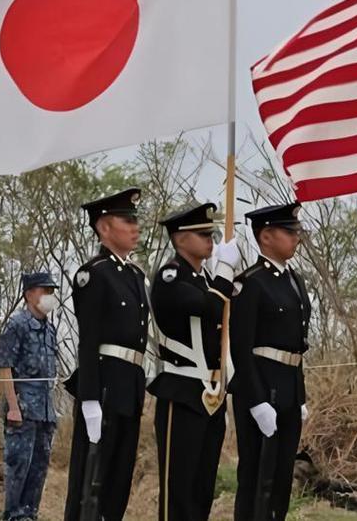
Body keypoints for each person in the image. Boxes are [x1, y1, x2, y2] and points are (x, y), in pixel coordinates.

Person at [148, 202, 242, 521]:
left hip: (211, 394)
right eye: (202, 234)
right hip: (182, 391)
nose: (210, 240)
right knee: (179, 489)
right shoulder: (171, 276)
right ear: (179, 239)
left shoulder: (204, 279)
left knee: (202, 489)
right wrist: (225, 271)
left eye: (211, 233)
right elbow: (210, 308)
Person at [63, 188, 150, 521]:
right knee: (90, 484)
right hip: (103, 388)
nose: (134, 227)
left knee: (117, 483)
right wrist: (89, 399)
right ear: (103, 227)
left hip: (129, 387)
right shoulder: (94, 274)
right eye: (126, 220)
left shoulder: (135, 275)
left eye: (135, 220)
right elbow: (89, 341)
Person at [226, 202, 311, 521]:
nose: (296, 238)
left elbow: (297, 343)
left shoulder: (295, 280)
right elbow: (241, 347)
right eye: (290, 232)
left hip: (289, 387)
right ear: (266, 236)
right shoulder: (250, 282)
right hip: (260, 387)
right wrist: (258, 401)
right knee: (255, 475)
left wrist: (300, 395)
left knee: (280, 476)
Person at [0, 272, 61, 521]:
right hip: (22, 409)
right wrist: (13, 406)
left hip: (44, 411)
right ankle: (14, 515)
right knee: (19, 466)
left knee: (39, 469)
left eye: (51, 291)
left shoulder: (50, 329)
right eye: (45, 290)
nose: (49, 296)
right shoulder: (17, 325)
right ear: (30, 293)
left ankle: (29, 515)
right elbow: (4, 366)